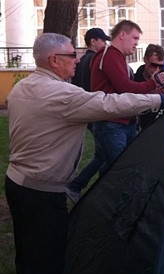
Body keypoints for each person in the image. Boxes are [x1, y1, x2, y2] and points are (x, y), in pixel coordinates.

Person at [4, 32, 164, 274]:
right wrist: (162, 97)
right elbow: (109, 104)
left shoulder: (24, 87)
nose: (77, 60)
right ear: (53, 60)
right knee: (43, 256)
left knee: (29, 252)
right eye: (71, 55)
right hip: (41, 191)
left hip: (19, 182)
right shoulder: (59, 94)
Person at [90, 20, 164, 175]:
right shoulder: (111, 55)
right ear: (122, 35)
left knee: (114, 167)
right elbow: (126, 88)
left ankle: (80, 189)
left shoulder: (114, 56)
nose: (136, 43)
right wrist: (154, 83)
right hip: (113, 122)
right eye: (135, 38)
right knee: (121, 171)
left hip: (119, 120)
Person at [66, 28, 110, 202]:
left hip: (87, 110)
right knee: (105, 156)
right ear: (93, 41)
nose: (105, 44)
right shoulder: (95, 60)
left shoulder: (83, 60)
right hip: (95, 111)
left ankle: (94, 189)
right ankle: (77, 186)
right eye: (102, 41)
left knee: (103, 154)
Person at [134, 44, 164, 130]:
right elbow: (133, 103)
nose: (157, 69)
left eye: (160, 66)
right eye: (153, 65)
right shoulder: (136, 78)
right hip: (145, 126)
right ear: (145, 60)